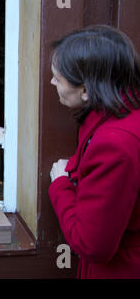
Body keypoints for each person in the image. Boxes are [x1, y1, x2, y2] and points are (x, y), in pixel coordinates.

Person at [49, 25, 140, 279]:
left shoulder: (114, 144)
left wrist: (61, 185)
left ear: (87, 89)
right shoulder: (121, 120)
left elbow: (92, 244)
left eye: (58, 76)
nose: (52, 82)